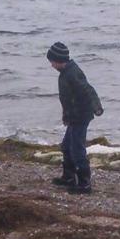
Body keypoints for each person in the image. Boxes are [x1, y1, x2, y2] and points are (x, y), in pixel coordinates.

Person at [47, 41, 103, 194]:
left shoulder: (73, 73)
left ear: (59, 60)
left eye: (52, 62)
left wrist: (96, 106)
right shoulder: (65, 73)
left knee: (77, 149)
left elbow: (88, 89)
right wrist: (66, 115)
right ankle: (68, 177)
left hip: (81, 116)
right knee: (66, 146)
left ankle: (85, 184)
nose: (51, 65)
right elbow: (68, 99)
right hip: (73, 116)